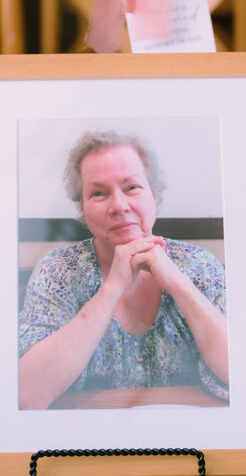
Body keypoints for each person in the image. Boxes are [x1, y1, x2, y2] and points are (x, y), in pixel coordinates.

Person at [18, 130, 229, 409]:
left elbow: (245, 376)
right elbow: (29, 393)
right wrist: (112, 288)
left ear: (154, 195)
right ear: (82, 207)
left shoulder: (199, 266)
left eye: (132, 188)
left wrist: (179, 285)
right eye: (98, 193)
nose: (119, 206)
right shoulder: (59, 272)